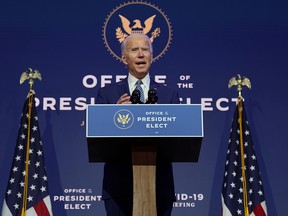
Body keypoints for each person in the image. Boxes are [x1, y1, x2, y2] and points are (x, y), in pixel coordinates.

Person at [95, 33, 180, 216]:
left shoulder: (169, 95)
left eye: (145, 49)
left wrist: (162, 118)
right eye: (134, 50)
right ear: (124, 58)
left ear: (152, 56)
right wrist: (112, 117)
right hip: (118, 187)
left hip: (159, 186)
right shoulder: (107, 94)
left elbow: (177, 140)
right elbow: (98, 139)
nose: (141, 54)